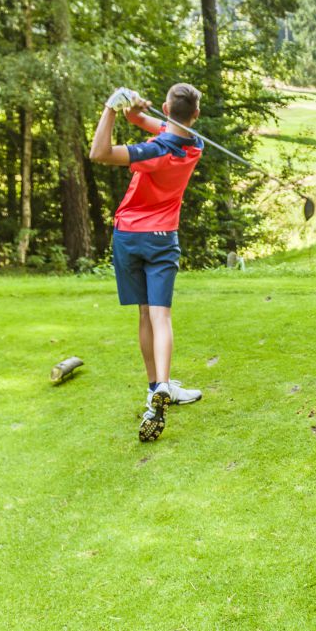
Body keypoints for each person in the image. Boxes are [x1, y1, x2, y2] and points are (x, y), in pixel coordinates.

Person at [89, 84, 207, 442]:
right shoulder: (195, 144)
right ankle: (163, 388)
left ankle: (156, 387)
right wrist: (133, 108)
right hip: (162, 239)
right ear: (195, 115)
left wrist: (112, 107)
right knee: (161, 316)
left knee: (144, 313)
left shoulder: (154, 151)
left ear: (167, 107)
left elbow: (99, 152)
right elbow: (145, 120)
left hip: (129, 236)